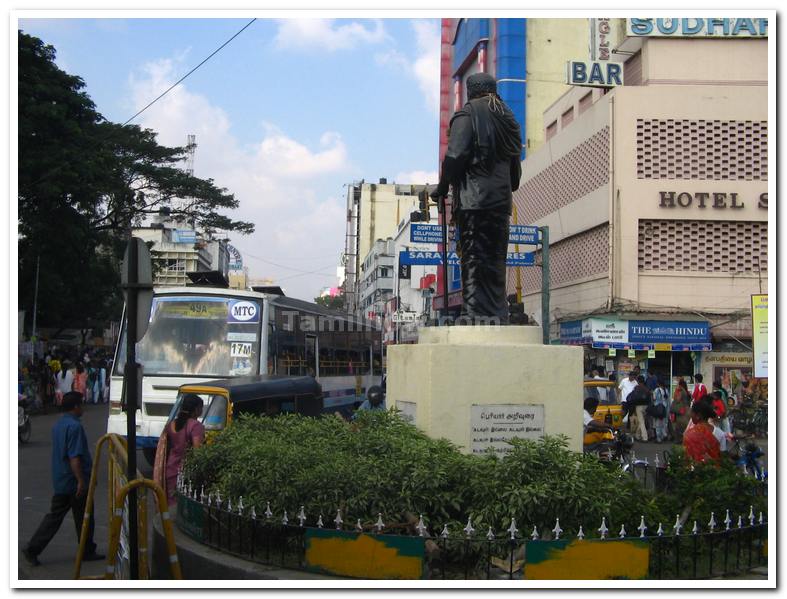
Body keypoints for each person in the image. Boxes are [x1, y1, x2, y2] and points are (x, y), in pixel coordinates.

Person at [430, 72, 522, 324]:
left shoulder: (467, 115)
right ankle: (497, 314)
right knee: (495, 260)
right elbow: (515, 174)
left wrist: (442, 187)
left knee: (473, 257)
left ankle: (474, 315)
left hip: (473, 202)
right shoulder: (508, 119)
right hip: (500, 202)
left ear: (471, 91)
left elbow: (455, 156)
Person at [22, 392, 104, 566]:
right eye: (81, 404)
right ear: (75, 407)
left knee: (56, 516)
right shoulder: (75, 427)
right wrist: (81, 480)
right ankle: (86, 550)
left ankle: (33, 548)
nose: (82, 408)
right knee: (84, 517)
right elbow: (75, 457)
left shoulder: (59, 424)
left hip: (62, 478)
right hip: (73, 481)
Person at [157, 394, 206, 507]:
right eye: (201, 408)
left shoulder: (171, 424)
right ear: (196, 410)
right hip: (185, 472)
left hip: (170, 468)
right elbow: (197, 450)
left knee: (171, 504)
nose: (201, 411)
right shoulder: (195, 426)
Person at [627, 375, 652, 442]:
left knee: (641, 422)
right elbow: (650, 398)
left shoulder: (636, 388)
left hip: (639, 406)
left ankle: (645, 437)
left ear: (638, 381)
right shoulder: (646, 388)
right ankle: (637, 435)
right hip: (646, 406)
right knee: (642, 421)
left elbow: (633, 397)